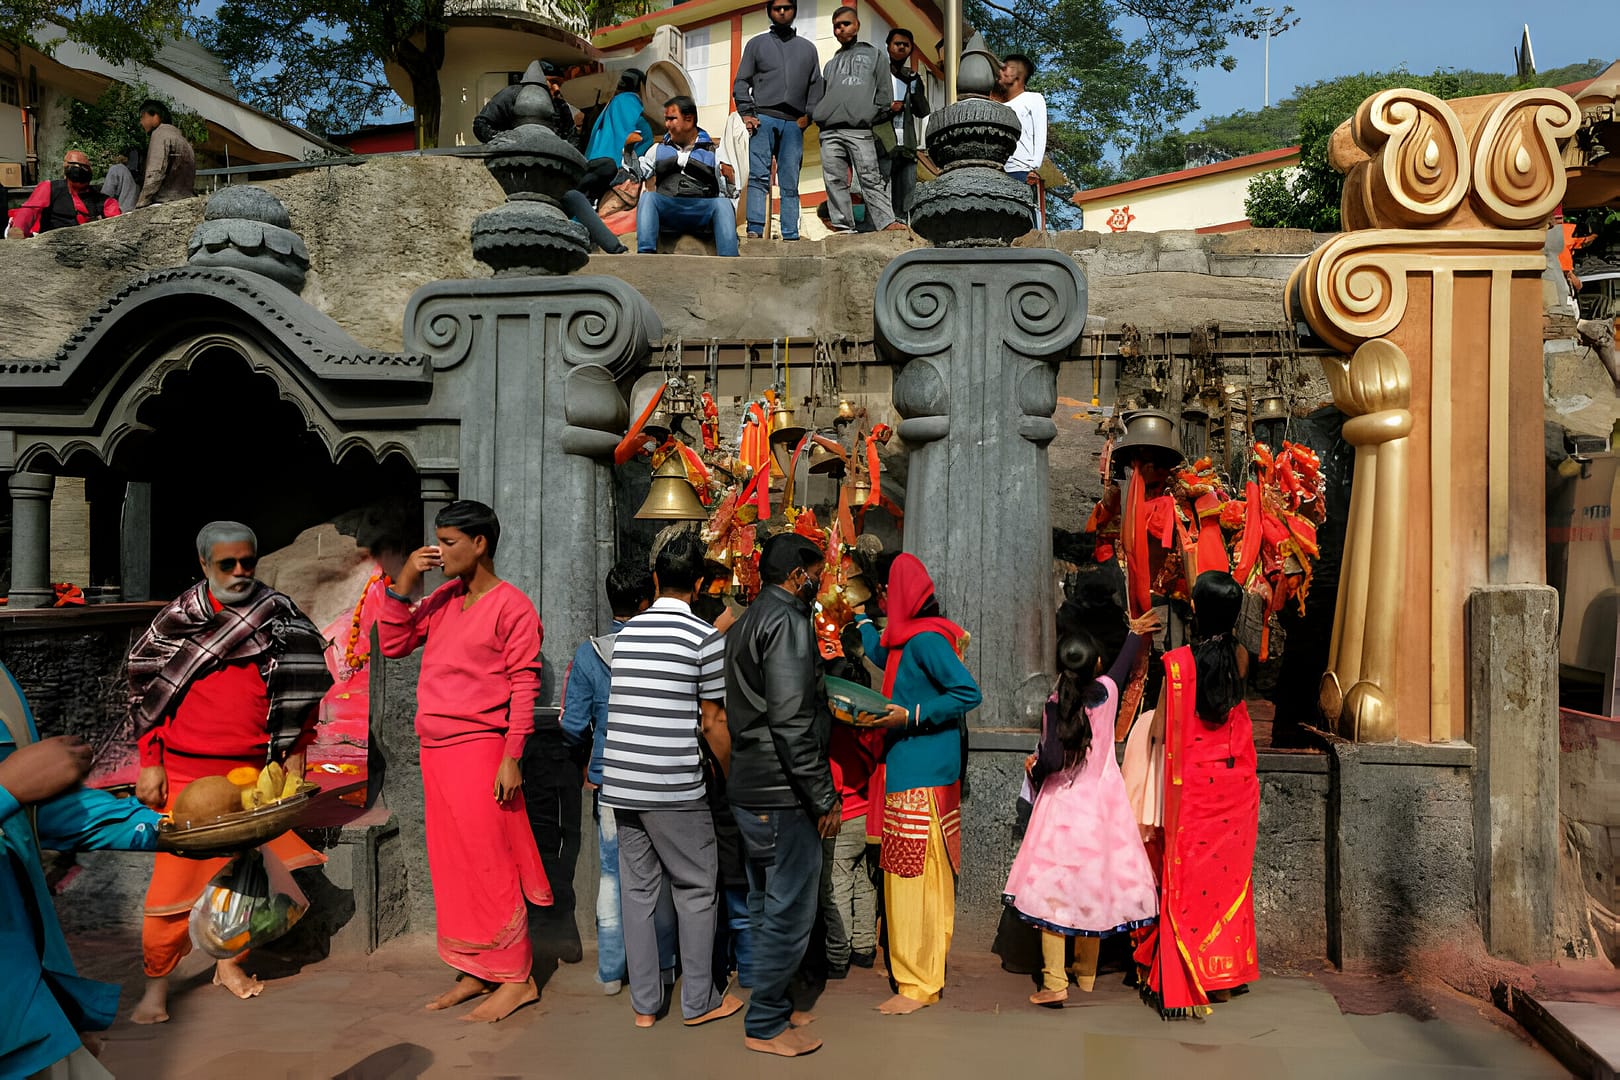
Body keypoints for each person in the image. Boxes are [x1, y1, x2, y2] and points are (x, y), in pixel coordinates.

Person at [128, 521, 333, 1024]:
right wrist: (150, 762)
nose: (240, 572)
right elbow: (146, 700)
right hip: (184, 779)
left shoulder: (280, 617)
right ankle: (156, 987)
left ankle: (229, 966)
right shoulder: (175, 622)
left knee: (246, 884)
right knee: (169, 896)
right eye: (227, 564)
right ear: (203, 565)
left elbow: (303, 691)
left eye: (248, 562)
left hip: (250, 779)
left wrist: (295, 755)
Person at [379, 500, 553, 1023]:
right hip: (435, 753)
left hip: (481, 753)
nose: (440, 552)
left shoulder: (513, 607)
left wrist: (512, 756)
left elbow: (525, 685)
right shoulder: (443, 599)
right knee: (453, 866)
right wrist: (405, 579)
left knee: (491, 862)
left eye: (450, 542)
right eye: (438, 541)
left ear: (480, 544)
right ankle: (478, 969)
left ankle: (517, 977)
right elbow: (392, 643)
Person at [599, 529, 741, 1029]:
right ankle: (698, 1001)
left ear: (656, 578)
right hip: (673, 785)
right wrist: (730, 774)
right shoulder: (704, 639)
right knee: (697, 889)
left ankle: (645, 1007)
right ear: (700, 584)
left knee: (637, 892)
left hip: (622, 783)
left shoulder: (626, 633)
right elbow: (713, 721)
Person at [1, 660, 164, 1079]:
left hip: (22, 991)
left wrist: (160, 827)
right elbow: (14, 788)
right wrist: (6, 789)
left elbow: (28, 814)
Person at [1001, 618, 1161, 1007]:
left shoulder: (1056, 704)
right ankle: (1085, 974)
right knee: (1093, 887)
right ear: (1097, 664)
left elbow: (1051, 759)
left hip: (1060, 809)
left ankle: (1055, 980)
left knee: (1051, 893)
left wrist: (1033, 769)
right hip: (1103, 808)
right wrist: (1136, 633)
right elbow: (1123, 666)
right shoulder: (1107, 691)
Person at [724, 533, 840, 1057]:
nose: (821, 581)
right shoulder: (788, 622)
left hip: (752, 786)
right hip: (783, 792)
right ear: (798, 573)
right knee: (788, 912)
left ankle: (766, 998)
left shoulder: (747, 620)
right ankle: (766, 1022)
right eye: (816, 571)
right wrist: (823, 798)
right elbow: (792, 721)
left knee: (764, 901)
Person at [853, 553, 981, 1015]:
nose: (884, 600)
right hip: (924, 773)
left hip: (918, 779)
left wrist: (913, 715)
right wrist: (857, 614)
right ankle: (923, 972)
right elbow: (876, 646)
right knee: (921, 879)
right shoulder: (907, 640)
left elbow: (968, 693)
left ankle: (917, 983)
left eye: (887, 592)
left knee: (912, 881)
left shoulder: (924, 642)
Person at [1133, 570, 1261, 1018]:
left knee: (1191, 879)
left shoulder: (1177, 663)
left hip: (1194, 791)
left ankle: (1195, 970)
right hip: (1236, 787)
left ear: (1197, 610)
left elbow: (1162, 730)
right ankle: (1225, 976)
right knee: (1229, 882)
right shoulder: (1242, 658)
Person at [559, 560, 665, 995]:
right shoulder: (661, 645)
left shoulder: (591, 653)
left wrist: (587, 759)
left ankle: (610, 971)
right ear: (647, 600)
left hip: (610, 782)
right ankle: (659, 967)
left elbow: (571, 725)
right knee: (657, 874)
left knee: (610, 875)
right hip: (662, 779)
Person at [477, 60, 626, 255]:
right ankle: (610, 244)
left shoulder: (560, 105)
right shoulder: (512, 95)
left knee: (604, 167)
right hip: (518, 171)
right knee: (573, 197)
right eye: (552, 81)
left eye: (559, 83)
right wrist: (504, 142)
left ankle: (608, 241)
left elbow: (572, 139)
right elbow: (481, 124)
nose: (556, 88)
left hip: (554, 171)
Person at [733, 0, 824, 241]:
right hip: (763, 118)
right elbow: (742, 81)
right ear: (769, 12)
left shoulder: (808, 48)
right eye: (777, 8)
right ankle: (754, 229)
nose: (782, 12)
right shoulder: (756, 44)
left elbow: (816, 85)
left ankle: (791, 234)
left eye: (787, 7)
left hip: (794, 123)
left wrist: (809, 115)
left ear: (794, 11)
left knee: (790, 180)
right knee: (758, 177)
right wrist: (747, 113)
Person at [812, 7, 901, 234]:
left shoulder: (875, 55)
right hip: (830, 130)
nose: (841, 29)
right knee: (834, 180)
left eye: (845, 23)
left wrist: (869, 115)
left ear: (857, 25)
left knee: (870, 177)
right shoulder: (831, 64)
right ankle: (843, 226)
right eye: (836, 26)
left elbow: (885, 96)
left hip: (860, 130)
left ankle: (886, 222)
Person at [623, 96, 740, 257]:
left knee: (723, 204)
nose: (667, 124)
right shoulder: (657, 149)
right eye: (666, 119)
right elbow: (638, 174)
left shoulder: (715, 152)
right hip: (669, 209)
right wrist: (629, 151)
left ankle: (729, 258)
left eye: (672, 119)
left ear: (688, 119)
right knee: (648, 198)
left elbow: (729, 192)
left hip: (701, 211)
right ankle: (646, 254)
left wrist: (731, 180)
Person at [818, 720, 883, 979]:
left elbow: (833, 781)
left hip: (843, 818)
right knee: (864, 882)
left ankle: (837, 954)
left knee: (837, 885)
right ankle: (864, 947)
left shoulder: (833, 732)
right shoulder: (867, 730)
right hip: (869, 816)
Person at [9, 150, 122, 237]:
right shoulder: (50, 188)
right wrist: (19, 230)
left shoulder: (104, 201)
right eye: (74, 165)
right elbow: (29, 211)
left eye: (82, 167)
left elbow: (116, 223)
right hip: (50, 247)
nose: (78, 169)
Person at [880, 29, 930, 223]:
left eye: (906, 45)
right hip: (883, 143)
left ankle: (902, 225)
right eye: (897, 43)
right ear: (888, 46)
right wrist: (889, 109)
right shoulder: (879, 75)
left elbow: (922, 110)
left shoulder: (914, 78)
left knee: (907, 192)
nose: (901, 47)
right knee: (882, 188)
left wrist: (914, 84)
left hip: (907, 145)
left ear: (911, 50)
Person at [584, 68, 655, 195]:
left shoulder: (611, 104)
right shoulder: (630, 103)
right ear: (641, 87)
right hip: (618, 175)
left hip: (594, 167)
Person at [997, 54, 1045, 220]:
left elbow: (1040, 133)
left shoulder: (1034, 99)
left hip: (1022, 170)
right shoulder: (999, 107)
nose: (1000, 72)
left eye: (1005, 68)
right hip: (1000, 170)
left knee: (1024, 216)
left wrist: (1034, 167)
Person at [136, 100, 196, 207]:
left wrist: (141, 203)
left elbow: (155, 173)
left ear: (155, 116)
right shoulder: (182, 139)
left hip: (165, 202)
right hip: (185, 200)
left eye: (142, 117)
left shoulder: (160, 134)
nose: (141, 122)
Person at [101, 147, 143, 213]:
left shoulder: (116, 169)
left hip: (121, 212)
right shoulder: (138, 173)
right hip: (136, 210)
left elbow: (106, 194)